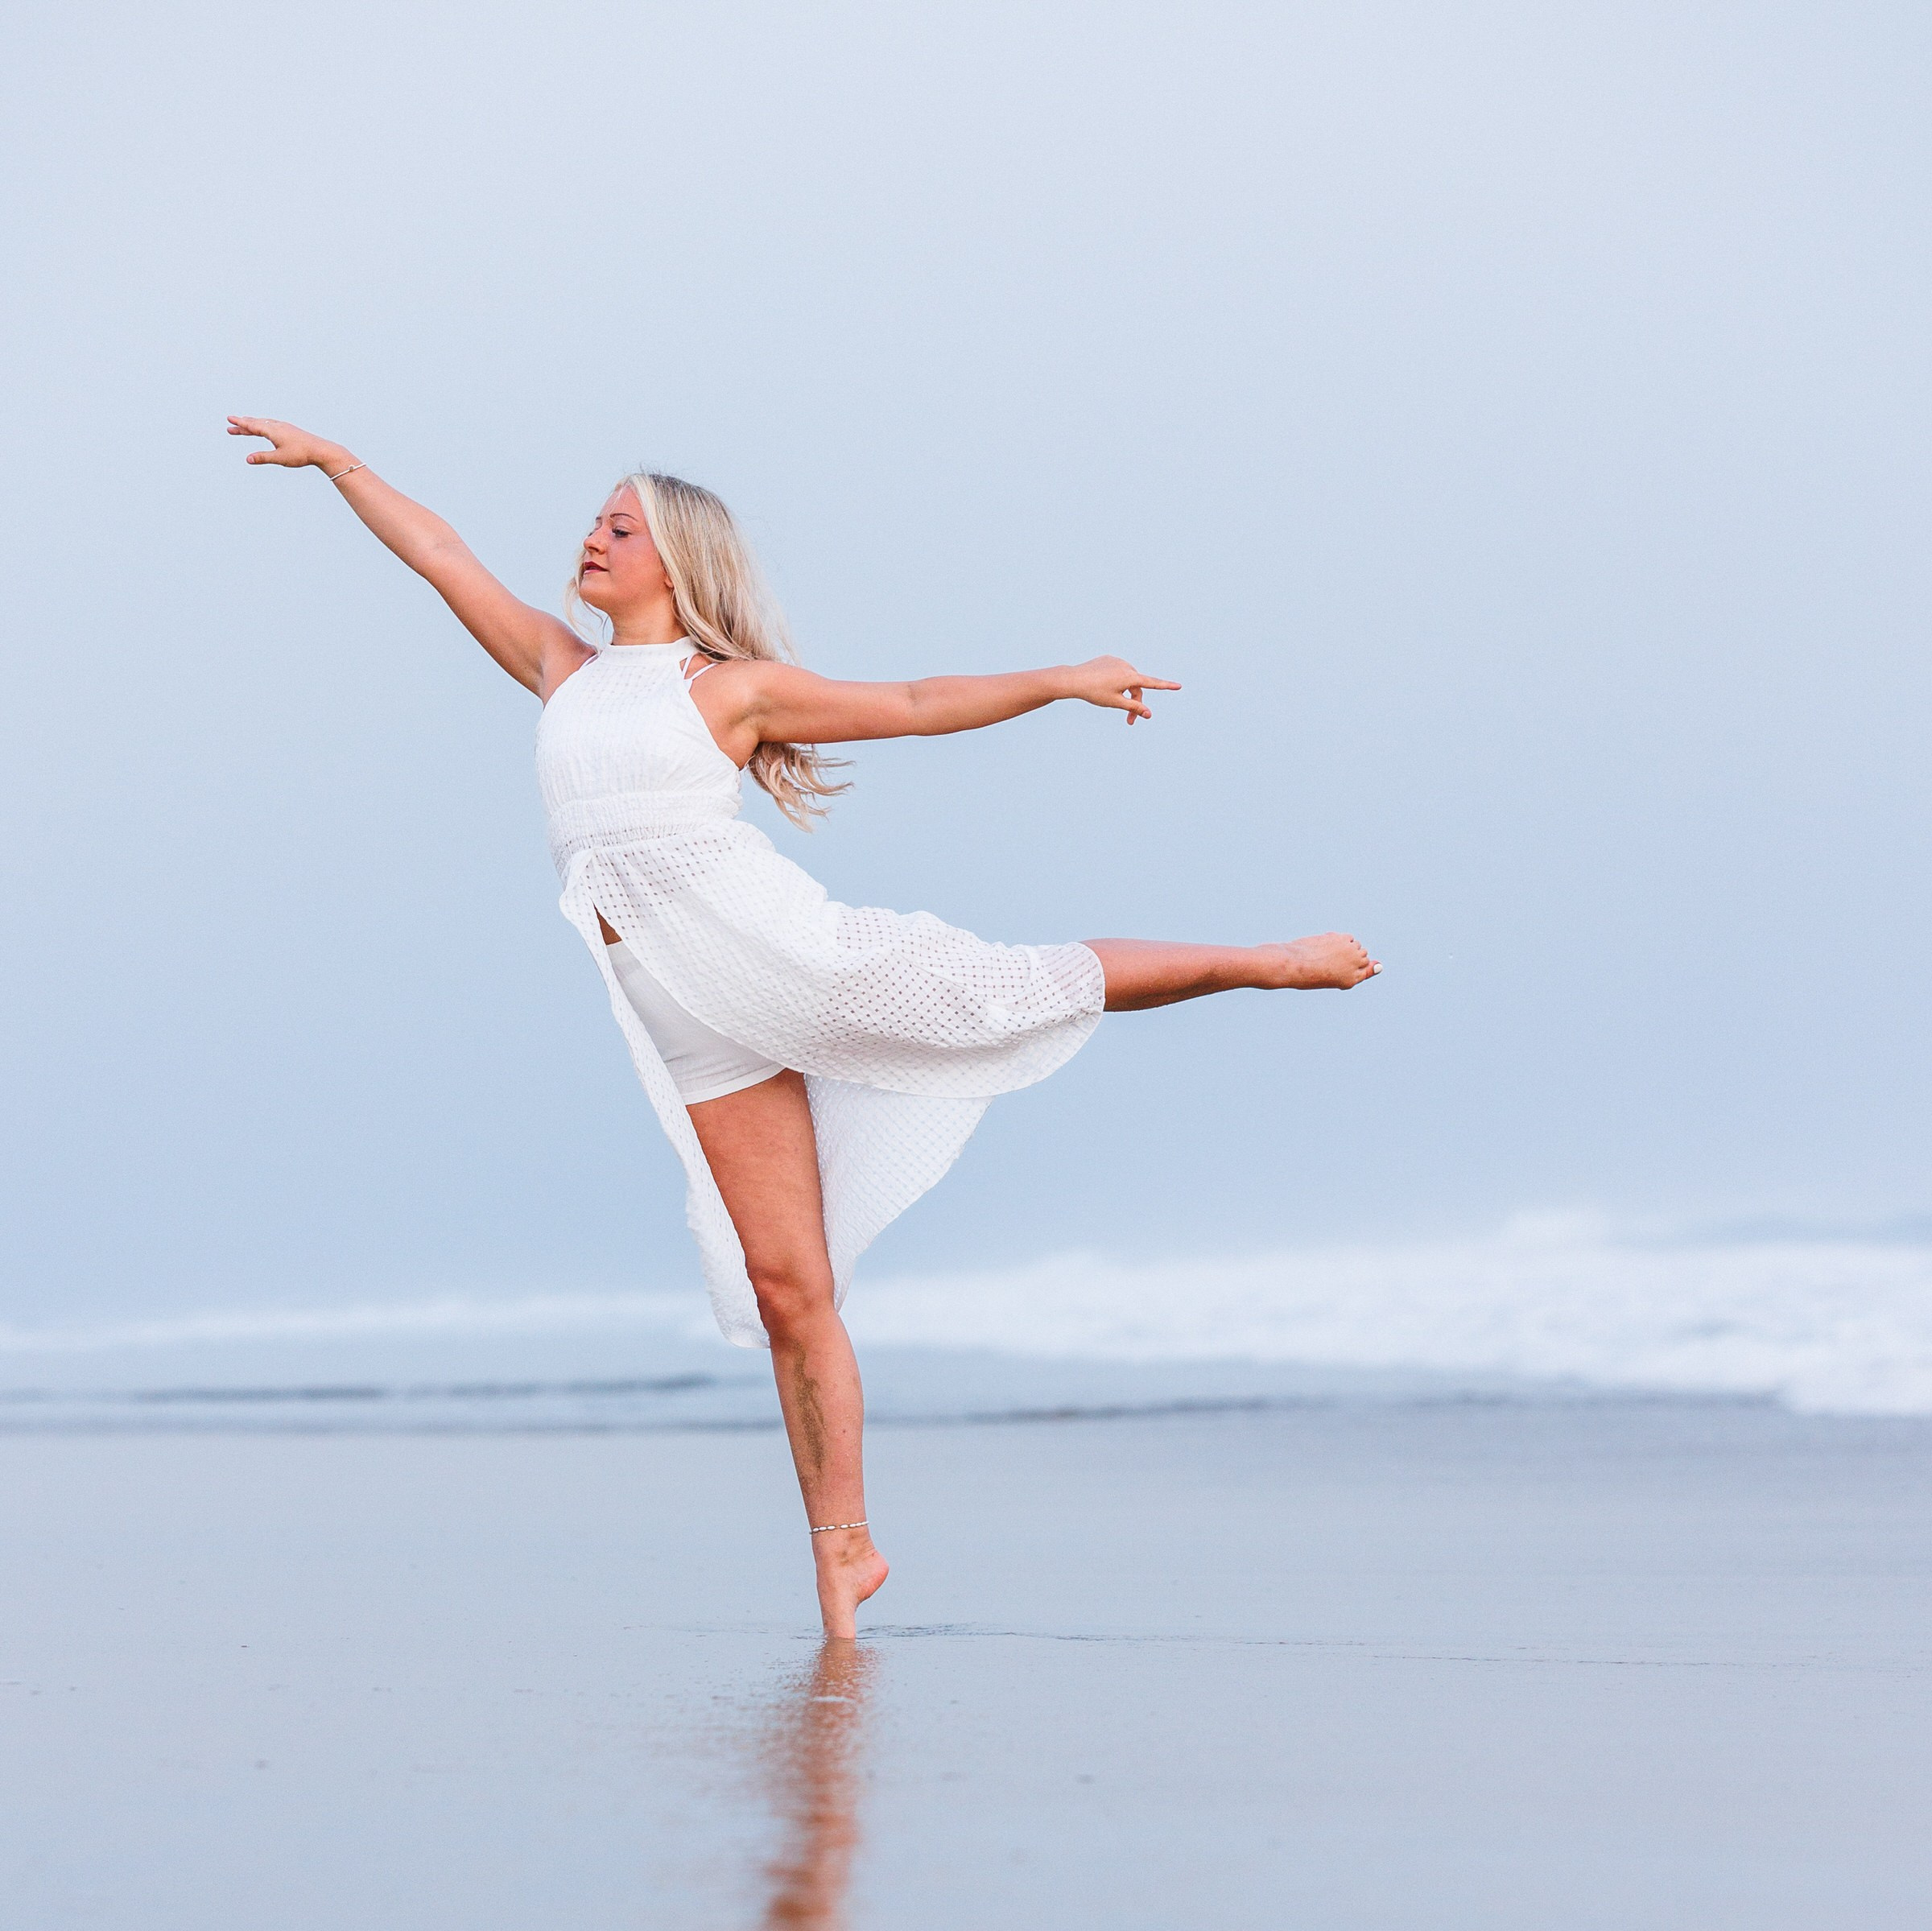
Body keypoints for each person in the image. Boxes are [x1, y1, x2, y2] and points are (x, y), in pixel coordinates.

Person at [228, 416, 1381, 1636]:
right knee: (790, 1289)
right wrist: (342, 466)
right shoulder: (560, 671)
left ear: (676, 562)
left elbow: (919, 702)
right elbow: (443, 554)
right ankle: (846, 1554)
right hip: (687, 1022)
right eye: (597, 519)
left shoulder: (725, 691)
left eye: (621, 526)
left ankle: (1263, 962)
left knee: (1003, 986)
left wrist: (1060, 679)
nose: (593, 536)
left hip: (781, 957)